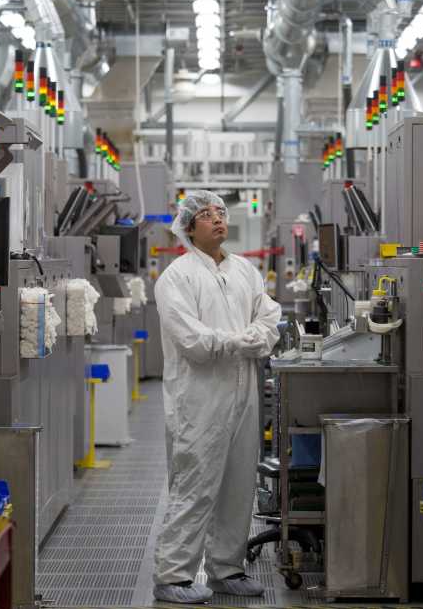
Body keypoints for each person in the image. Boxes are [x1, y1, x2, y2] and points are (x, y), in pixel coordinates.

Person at [152, 191, 281, 604]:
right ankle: (173, 575)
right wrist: (242, 341)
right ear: (189, 228)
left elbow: (269, 316)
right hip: (200, 398)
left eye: (221, 213)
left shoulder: (245, 270)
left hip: (244, 394)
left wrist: (254, 338)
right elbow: (193, 341)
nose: (217, 220)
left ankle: (227, 568)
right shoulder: (177, 276)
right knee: (195, 484)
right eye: (206, 215)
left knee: (239, 483)